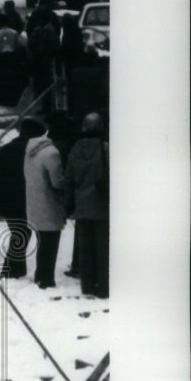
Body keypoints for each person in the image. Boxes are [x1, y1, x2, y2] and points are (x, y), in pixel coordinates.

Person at [0, 117, 46, 278]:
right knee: (23, 234)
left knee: (18, 233)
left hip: (9, 201)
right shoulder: (35, 151)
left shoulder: (5, 149)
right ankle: (11, 270)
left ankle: (15, 269)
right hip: (27, 198)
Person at [64, 113, 109, 298]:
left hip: (82, 206)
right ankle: (104, 287)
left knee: (85, 249)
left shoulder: (75, 150)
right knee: (103, 248)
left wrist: (68, 205)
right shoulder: (106, 148)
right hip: (102, 205)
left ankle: (88, 286)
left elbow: (68, 179)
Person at [24, 118, 66, 289]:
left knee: (42, 242)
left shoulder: (30, 151)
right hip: (49, 204)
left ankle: (40, 275)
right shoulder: (52, 154)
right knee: (50, 244)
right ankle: (46, 279)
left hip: (34, 203)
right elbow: (57, 182)